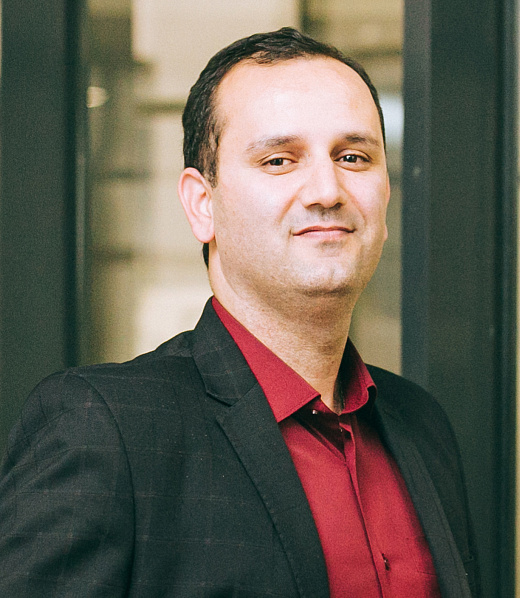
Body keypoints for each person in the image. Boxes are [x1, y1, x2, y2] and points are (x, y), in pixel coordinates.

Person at [0, 27, 479, 597]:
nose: (327, 190)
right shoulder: (103, 431)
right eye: (279, 160)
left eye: (353, 157)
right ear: (202, 204)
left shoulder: (422, 426)